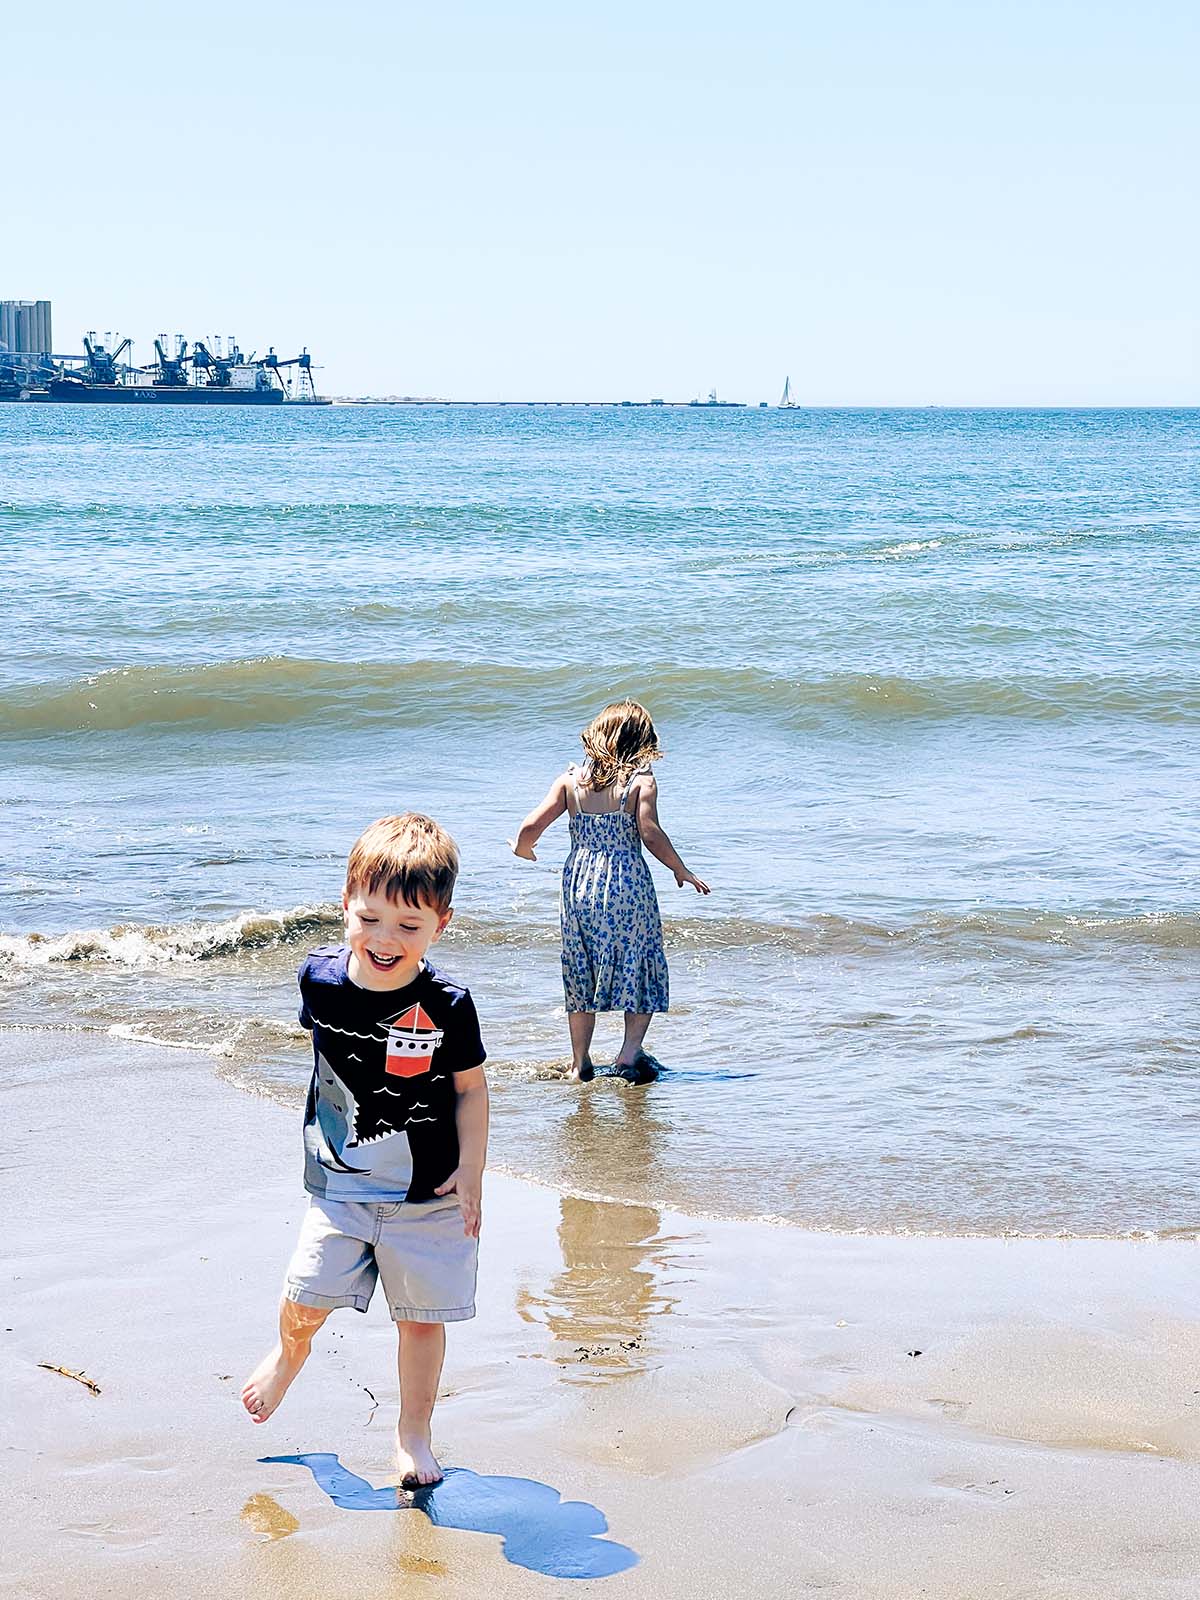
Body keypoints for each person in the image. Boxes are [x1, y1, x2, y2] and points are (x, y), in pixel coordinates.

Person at [241, 813, 489, 1489]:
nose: (385, 939)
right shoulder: (317, 981)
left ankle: (413, 1434)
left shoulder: (447, 1005)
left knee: (420, 1322)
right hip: (340, 1188)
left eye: (409, 927)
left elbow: (470, 1090)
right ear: (344, 904)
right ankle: (289, 1358)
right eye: (370, 918)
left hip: (428, 1196)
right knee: (305, 1298)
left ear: (441, 923)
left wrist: (472, 1169)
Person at [508, 700, 709, 1081]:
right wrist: (679, 869)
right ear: (640, 742)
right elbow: (649, 833)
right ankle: (628, 1054)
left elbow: (531, 826)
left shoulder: (570, 781)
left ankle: (580, 1060)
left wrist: (523, 848)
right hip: (627, 881)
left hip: (580, 882)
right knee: (638, 958)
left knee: (581, 965)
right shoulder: (640, 783)